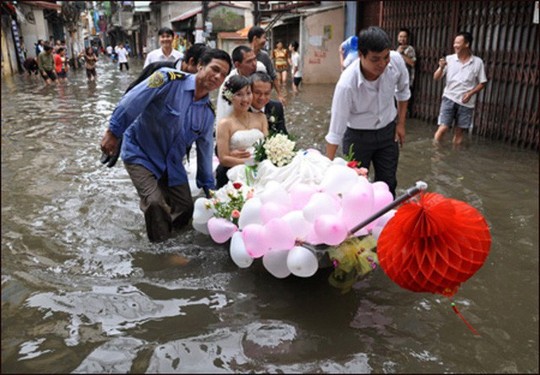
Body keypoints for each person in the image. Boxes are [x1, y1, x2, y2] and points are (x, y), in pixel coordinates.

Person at [99, 49, 231, 242]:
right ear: (200, 66)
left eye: (223, 75)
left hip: (171, 162)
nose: (217, 76)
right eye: (215, 69)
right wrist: (113, 132)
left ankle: (166, 233)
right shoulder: (166, 79)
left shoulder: (207, 114)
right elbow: (132, 100)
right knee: (154, 203)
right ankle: (161, 249)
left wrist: (210, 190)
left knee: (186, 207)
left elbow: (205, 152)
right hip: (140, 153)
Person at [325, 26, 410, 198]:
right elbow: (335, 131)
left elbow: (403, 92)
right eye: (375, 59)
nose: (382, 64)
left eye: (385, 57)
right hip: (357, 137)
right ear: (361, 56)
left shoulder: (395, 62)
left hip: (388, 133)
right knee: (355, 188)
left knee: (388, 184)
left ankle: (387, 222)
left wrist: (400, 124)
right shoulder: (346, 84)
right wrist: (326, 170)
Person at [433, 31, 487, 146]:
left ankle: (454, 156)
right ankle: (435, 155)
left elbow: (482, 83)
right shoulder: (449, 59)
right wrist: (441, 68)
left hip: (466, 103)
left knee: (459, 132)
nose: (455, 45)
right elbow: (436, 77)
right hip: (449, 98)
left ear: (467, 44)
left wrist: (470, 93)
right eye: (454, 43)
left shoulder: (477, 62)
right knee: (443, 128)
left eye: (458, 43)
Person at [215, 75, 269, 188]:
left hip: (263, 167)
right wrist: (250, 163)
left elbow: (268, 147)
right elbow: (223, 159)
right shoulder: (225, 124)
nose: (245, 99)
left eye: (248, 93)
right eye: (239, 94)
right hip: (237, 170)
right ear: (230, 97)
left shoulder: (261, 117)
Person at [124, 43, 208, 94]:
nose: (203, 72)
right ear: (192, 61)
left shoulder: (197, 83)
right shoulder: (157, 69)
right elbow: (133, 92)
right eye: (201, 68)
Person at [215, 45, 263, 126]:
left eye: (255, 59)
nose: (254, 64)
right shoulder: (229, 83)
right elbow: (224, 110)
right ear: (237, 64)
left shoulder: (261, 69)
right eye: (249, 61)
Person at [248, 26, 285, 104]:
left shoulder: (264, 56)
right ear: (255, 38)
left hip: (261, 96)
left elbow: (273, 75)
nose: (265, 41)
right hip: (247, 96)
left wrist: (279, 94)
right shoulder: (243, 55)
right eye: (264, 38)